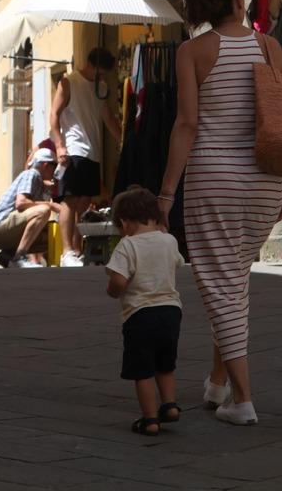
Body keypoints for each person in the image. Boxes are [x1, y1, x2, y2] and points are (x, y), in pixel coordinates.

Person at [158, 0, 282, 426]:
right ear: (240, 0)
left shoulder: (192, 52)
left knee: (220, 284)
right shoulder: (269, 46)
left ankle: (242, 399)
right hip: (264, 180)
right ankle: (218, 381)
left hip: (214, 183)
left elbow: (187, 124)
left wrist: (166, 193)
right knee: (234, 278)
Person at [105, 187, 184, 437]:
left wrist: (113, 290)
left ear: (124, 222)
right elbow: (177, 262)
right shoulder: (169, 241)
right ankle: (169, 405)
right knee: (165, 365)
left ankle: (150, 419)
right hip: (171, 312)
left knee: (143, 371)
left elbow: (118, 282)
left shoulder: (127, 246)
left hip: (140, 315)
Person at [51, 47, 122, 267]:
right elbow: (54, 114)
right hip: (74, 148)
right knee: (70, 200)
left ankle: (76, 249)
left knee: (84, 202)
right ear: (91, 65)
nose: (102, 77)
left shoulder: (101, 88)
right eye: (100, 72)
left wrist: (123, 140)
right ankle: (66, 252)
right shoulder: (68, 82)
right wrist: (60, 146)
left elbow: (107, 117)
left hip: (93, 151)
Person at [0, 147, 61, 267]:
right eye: (55, 165)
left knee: (51, 235)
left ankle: (7, 256)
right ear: (46, 165)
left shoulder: (39, 180)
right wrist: (50, 205)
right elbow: (21, 203)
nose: (55, 170)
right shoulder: (31, 174)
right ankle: (19, 257)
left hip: (2, 231)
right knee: (43, 211)